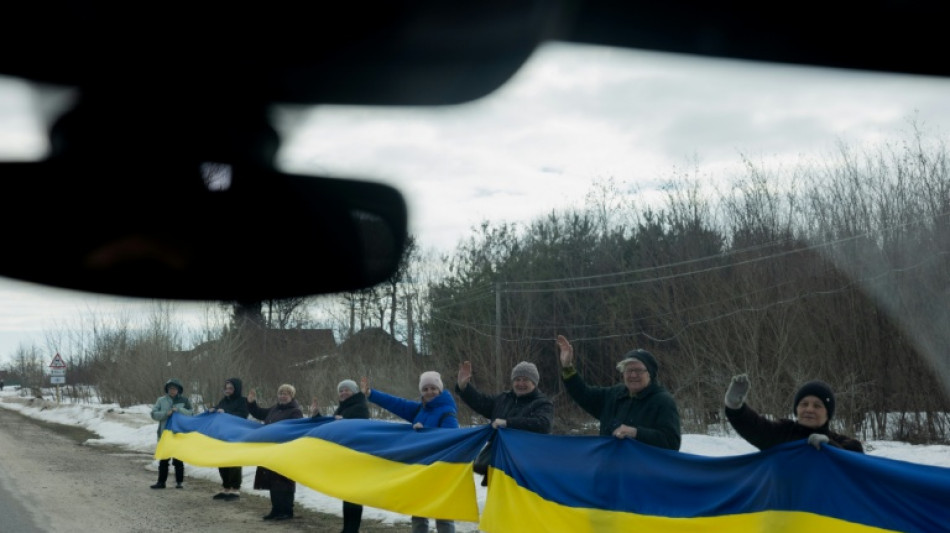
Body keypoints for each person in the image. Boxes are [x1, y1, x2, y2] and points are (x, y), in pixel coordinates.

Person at [361, 371, 459, 533]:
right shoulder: (421, 409)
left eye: (433, 388)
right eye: (425, 388)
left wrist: (426, 432)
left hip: (440, 473)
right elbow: (397, 404)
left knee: (443, 517)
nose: (429, 392)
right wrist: (371, 394)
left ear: (440, 390)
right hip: (420, 470)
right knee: (418, 515)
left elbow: (451, 440)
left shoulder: (447, 412)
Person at [556, 335, 682, 450]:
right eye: (628, 370)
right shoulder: (614, 394)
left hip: (643, 473)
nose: (633, 375)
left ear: (650, 374)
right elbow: (583, 393)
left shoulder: (663, 401)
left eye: (638, 370)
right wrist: (567, 367)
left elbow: (672, 443)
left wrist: (636, 433)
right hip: (609, 469)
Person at [455, 360, 554, 485]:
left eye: (525, 380)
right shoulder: (503, 398)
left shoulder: (542, 403)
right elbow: (481, 402)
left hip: (526, 469)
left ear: (534, 383)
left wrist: (508, 423)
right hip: (498, 465)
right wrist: (464, 388)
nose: (520, 383)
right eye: (517, 379)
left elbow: (543, 424)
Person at [724, 374, 864, 453]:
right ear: (796, 409)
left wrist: (830, 447)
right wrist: (735, 407)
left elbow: (857, 458)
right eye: (804, 404)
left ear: (828, 414)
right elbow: (756, 427)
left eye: (817, 406)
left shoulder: (840, 442)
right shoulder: (782, 433)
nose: (809, 409)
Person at [247, 383, 304, 521]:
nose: (283, 396)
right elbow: (260, 413)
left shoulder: (295, 411)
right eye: (281, 393)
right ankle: (276, 509)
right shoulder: (274, 409)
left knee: (284, 481)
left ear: (292, 396)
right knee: (272, 481)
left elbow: (296, 430)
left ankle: (286, 511)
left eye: (286, 394)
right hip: (272, 451)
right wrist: (251, 403)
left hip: (286, 451)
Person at [332, 379, 371, 533]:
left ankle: (352, 529)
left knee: (354, 496)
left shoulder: (360, 407)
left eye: (346, 390)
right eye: (341, 391)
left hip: (356, 456)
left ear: (354, 392)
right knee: (347, 494)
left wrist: (345, 422)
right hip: (344, 456)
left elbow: (359, 428)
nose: (343, 393)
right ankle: (347, 528)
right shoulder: (342, 408)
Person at [150, 377, 194, 489]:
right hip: (165, 434)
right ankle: (161, 482)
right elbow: (153, 414)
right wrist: (166, 413)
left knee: (178, 460)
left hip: (179, 434)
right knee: (164, 460)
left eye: (174, 388)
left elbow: (191, 413)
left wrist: (179, 410)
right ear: (167, 389)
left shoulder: (184, 400)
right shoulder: (161, 400)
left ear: (179, 389)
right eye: (170, 388)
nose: (172, 390)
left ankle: (179, 482)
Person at [210, 377, 249, 501]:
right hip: (223, 436)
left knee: (234, 462)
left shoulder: (243, 401)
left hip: (236, 436)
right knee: (222, 462)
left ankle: (235, 489)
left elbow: (242, 415)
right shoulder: (224, 401)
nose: (228, 390)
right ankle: (226, 488)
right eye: (226, 388)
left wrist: (225, 412)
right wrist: (213, 410)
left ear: (236, 389)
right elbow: (219, 408)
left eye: (231, 388)